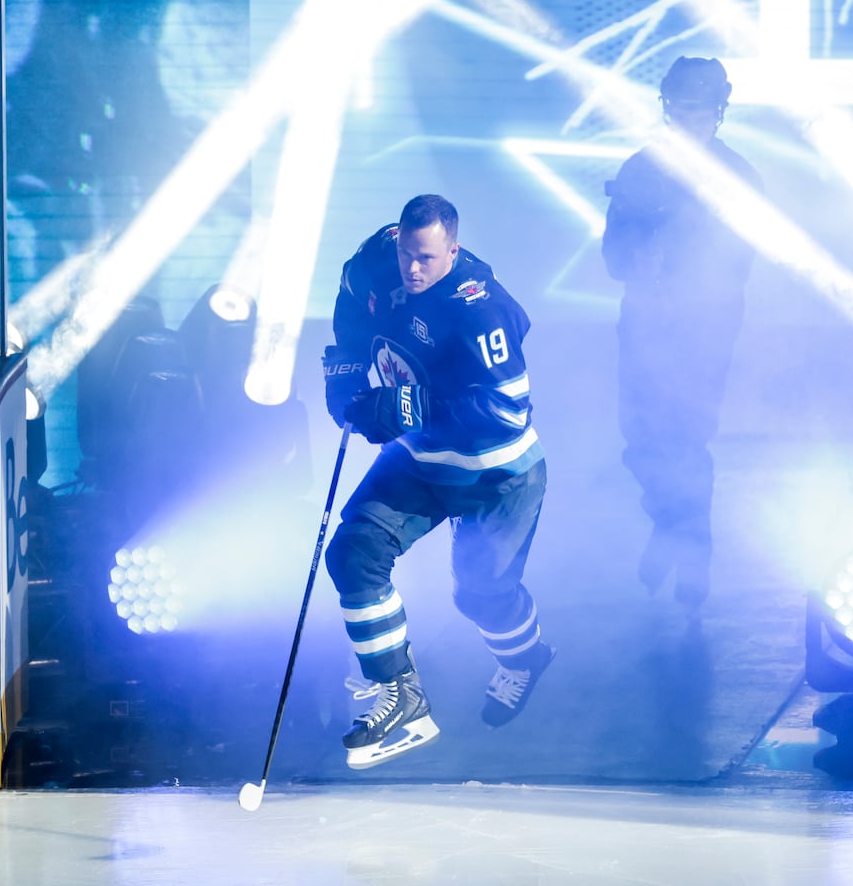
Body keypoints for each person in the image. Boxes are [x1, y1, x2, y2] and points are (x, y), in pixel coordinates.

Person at [321, 194, 552, 770]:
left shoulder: (480, 309)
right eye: (406, 254)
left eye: (426, 258)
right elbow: (351, 303)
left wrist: (402, 406)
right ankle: (403, 697)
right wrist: (345, 373)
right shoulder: (378, 257)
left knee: (479, 595)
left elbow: (504, 410)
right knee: (353, 552)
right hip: (421, 461)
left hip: (495, 475)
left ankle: (525, 658)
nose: (412, 269)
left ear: (453, 249)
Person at [601, 56, 762, 613]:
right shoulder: (640, 170)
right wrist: (636, 261)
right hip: (644, 324)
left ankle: (694, 551)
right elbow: (612, 256)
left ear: (718, 112)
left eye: (699, 109)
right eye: (679, 108)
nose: (689, 119)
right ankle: (670, 526)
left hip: (704, 330)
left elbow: (742, 259)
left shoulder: (740, 178)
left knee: (687, 438)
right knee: (641, 441)